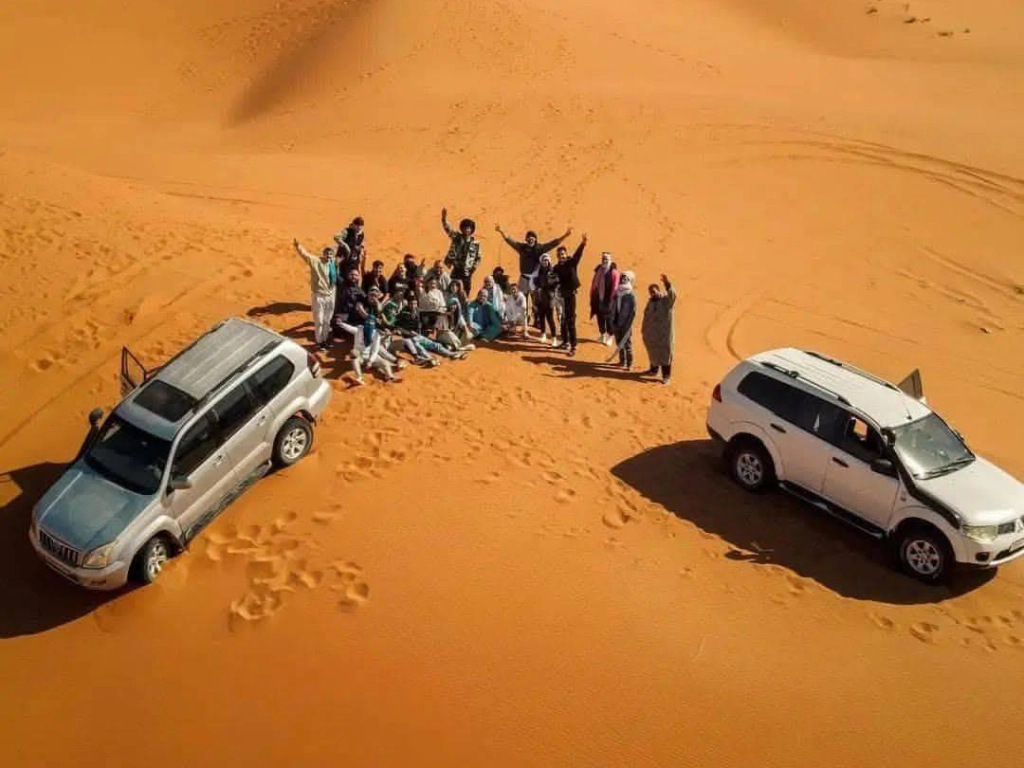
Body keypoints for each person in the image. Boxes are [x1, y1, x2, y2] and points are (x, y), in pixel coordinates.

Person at [292, 238, 337, 350]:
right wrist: (298, 246)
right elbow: (305, 255)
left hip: (330, 295)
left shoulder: (332, 264)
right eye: (327, 254)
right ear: (323, 254)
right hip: (319, 295)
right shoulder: (316, 261)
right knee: (319, 321)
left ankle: (325, 340)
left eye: (331, 255)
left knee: (327, 320)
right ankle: (319, 341)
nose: (329, 256)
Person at [553, 233, 587, 356]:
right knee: (562, 320)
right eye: (559, 254)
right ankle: (565, 342)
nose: (561, 256)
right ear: (557, 256)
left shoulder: (571, 262)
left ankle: (573, 346)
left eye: (563, 254)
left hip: (570, 295)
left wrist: (583, 244)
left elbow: (578, 255)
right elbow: (552, 278)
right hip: (562, 296)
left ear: (566, 254)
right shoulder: (556, 267)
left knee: (570, 320)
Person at [641, 274, 677, 385]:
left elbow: (673, 295)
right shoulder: (650, 302)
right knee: (653, 353)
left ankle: (666, 376)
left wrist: (667, 284)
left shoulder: (666, 301)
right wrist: (644, 330)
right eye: (650, 292)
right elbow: (646, 315)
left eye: (654, 291)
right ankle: (653, 370)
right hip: (652, 334)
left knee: (665, 355)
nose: (652, 293)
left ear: (658, 290)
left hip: (664, 334)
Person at [441, 208, 481, 294]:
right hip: (456, 268)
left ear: (472, 229)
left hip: (467, 271)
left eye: (469, 228)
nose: (467, 230)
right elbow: (448, 229)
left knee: (465, 292)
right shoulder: (456, 237)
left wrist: (472, 269)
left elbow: (478, 258)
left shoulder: (476, 243)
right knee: (453, 289)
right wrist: (444, 219)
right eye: (465, 228)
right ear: (462, 229)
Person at [589, 251, 620, 346]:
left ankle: (610, 336)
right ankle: (602, 335)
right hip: (598, 299)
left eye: (606, 259)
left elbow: (615, 288)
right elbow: (594, 283)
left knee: (609, 320)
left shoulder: (614, 273)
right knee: (600, 319)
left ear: (610, 260)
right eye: (603, 259)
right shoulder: (599, 270)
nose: (604, 260)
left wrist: (611, 301)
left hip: (608, 301)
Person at [611, 271, 637, 370]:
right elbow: (613, 306)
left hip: (626, 325)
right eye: (622, 277)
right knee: (618, 343)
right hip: (616, 322)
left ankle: (629, 364)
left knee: (627, 344)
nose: (623, 279)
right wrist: (612, 320)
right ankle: (622, 361)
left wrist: (628, 325)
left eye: (626, 278)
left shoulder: (631, 295)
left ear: (629, 280)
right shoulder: (617, 292)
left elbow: (633, 313)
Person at [534, 253, 559, 345]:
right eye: (544, 260)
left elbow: (555, 285)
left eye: (547, 260)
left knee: (550, 319)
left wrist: (548, 287)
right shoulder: (539, 271)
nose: (545, 262)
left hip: (549, 298)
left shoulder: (552, 272)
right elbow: (535, 284)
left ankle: (554, 338)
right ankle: (543, 334)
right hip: (540, 298)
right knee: (541, 318)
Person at [334, 268, 368, 336]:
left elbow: (367, 299)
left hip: (352, 315)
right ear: (348, 275)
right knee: (336, 323)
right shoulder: (342, 284)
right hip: (342, 314)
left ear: (358, 277)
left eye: (356, 275)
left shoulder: (359, 290)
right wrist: (336, 265)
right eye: (352, 274)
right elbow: (335, 274)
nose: (353, 277)